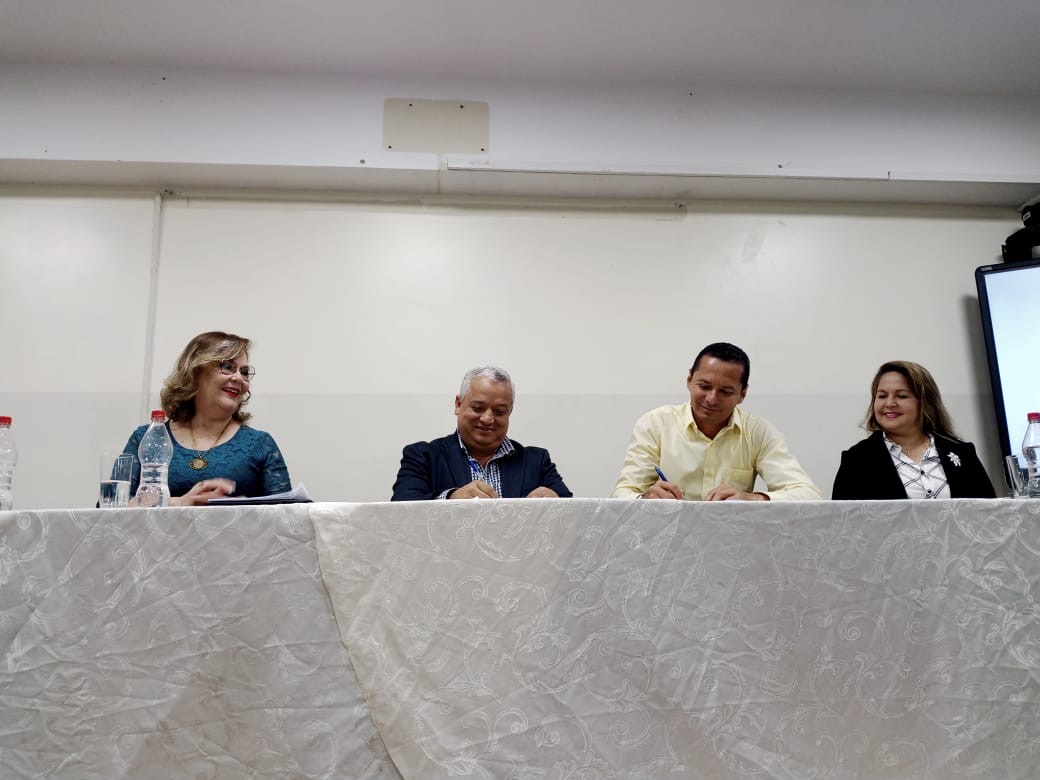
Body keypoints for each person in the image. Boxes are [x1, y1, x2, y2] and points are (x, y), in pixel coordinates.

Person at [612, 342, 820, 501]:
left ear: (743, 394)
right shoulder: (655, 424)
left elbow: (808, 494)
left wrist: (753, 499)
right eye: (704, 386)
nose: (711, 399)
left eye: (725, 392)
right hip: (668, 538)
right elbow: (622, 494)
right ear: (689, 380)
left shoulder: (759, 432)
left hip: (731, 540)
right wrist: (644, 499)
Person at [120, 331, 291, 505]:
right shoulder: (146, 438)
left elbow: (288, 515)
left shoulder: (260, 444)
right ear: (195, 372)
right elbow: (113, 506)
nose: (239, 378)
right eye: (228, 367)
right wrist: (178, 503)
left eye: (245, 372)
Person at [391, 366, 572, 500]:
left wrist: (555, 501)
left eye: (499, 411)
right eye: (478, 408)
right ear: (458, 404)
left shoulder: (537, 461)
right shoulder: (423, 457)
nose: (487, 418)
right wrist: (450, 498)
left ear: (509, 412)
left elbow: (575, 514)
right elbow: (401, 508)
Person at [832, 360, 995, 499]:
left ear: (925, 402)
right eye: (881, 396)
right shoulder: (856, 460)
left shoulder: (962, 452)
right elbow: (843, 522)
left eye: (901, 396)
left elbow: (990, 514)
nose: (889, 403)